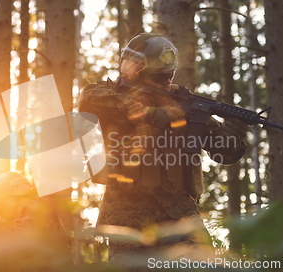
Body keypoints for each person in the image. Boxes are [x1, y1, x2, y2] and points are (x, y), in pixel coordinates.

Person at [78, 33, 248, 270]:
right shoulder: (113, 96)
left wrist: (234, 132)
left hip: (180, 215)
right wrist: (149, 113)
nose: (125, 69)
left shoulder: (185, 107)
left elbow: (224, 153)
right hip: (126, 216)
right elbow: (88, 98)